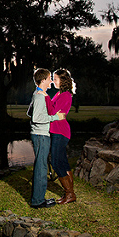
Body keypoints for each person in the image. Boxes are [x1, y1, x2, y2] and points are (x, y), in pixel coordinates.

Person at [28, 68, 65, 208]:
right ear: (43, 80)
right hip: (40, 135)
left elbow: (30, 112)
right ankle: (38, 201)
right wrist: (56, 117)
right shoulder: (39, 96)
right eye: (50, 78)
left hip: (41, 134)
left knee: (42, 165)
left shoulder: (40, 94)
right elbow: (36, 117)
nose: (51, 81)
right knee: (41, 167)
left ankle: (39, 198)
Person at [45, 68, 76, 204]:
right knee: (63, 162)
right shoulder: (60, 94)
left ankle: (70, 193)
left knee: (56, 162)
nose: (52, 81)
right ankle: (69, 193)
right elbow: (53, 110)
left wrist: (45, 96)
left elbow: (51, 110)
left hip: (60, 131)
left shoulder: (65, 95)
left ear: (62, 80)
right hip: (57, 130)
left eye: (55, 79)